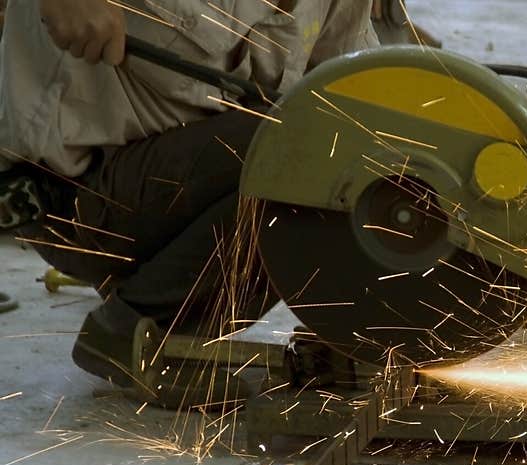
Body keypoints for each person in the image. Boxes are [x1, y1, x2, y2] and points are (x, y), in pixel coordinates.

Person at [0, 0, 379, 408]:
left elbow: (359, 95)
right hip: (76, 198)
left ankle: (182, 322)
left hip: (188, 185)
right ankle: (146, 328)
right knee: (303, 145)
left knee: (349, 141)